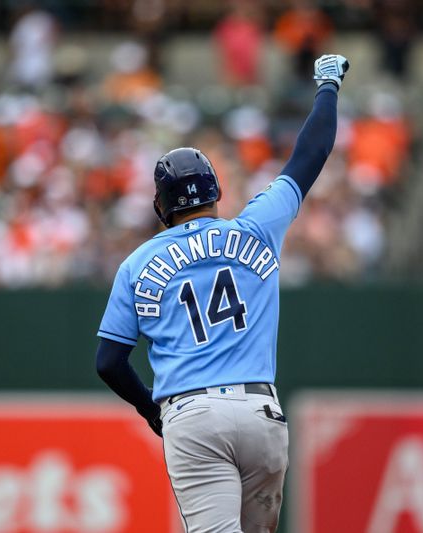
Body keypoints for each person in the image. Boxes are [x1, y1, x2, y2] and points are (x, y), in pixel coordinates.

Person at [95, 54, 350, 532]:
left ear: (160, 206)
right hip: (262, 412)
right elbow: (310, 155)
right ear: (215, 191)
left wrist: (152, 410)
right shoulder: (257, 228)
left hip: (192, 413)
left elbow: (109, 362)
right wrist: (327, 86)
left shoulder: (137, 264)